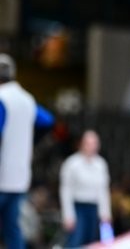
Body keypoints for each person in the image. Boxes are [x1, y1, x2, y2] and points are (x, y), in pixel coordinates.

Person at [0, 53, 55, 249]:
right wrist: (32, 140)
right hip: (20, 177)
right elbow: (48, 120)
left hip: (1, 176)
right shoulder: (27, 99)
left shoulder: (2, 98)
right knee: (12, 228)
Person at [59, 129, 112, 248]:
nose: (92, 147)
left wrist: (105, 214)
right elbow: (66, 191)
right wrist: (68, 215)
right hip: (78, 207)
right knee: (75, 242)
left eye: (94, 143)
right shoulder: (72, 163)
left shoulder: (101, 164)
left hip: (94, 208)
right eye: (88, 143)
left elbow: (103, 191)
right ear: (82, 144)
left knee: (91, 243)